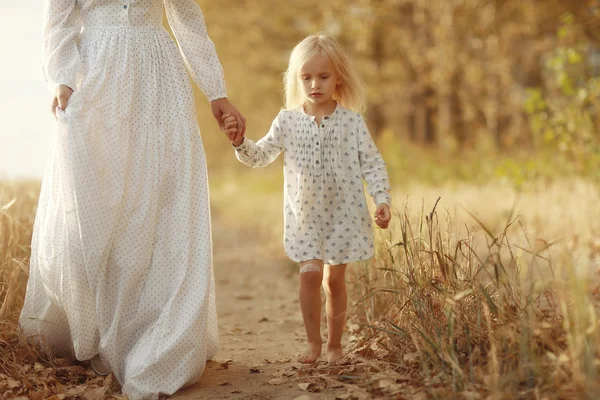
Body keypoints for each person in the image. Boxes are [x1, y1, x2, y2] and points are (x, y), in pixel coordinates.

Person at [19, 1, 244, 398]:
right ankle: (100, 326)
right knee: (101, 211)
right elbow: (59, 22)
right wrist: (62, 79)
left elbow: (187, 19)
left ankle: (160, 337)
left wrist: (215, 91)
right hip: (95, 79)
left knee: (163, 199)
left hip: (159, 78)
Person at [222, 33, 392, 364]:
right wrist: (240, 141)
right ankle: (313, 342)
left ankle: (335, 346)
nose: (315, 84)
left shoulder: (351, 123)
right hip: (305, 216)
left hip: (342, 215)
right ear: (296, 79)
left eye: (323, 76)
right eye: (307, 77)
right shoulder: (287, 121)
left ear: (338, 78)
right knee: (310, 275)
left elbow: (372, 164)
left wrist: (381, 199)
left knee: (335, 280)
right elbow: (260, 155)